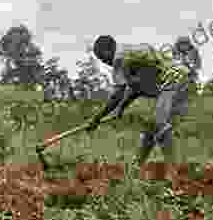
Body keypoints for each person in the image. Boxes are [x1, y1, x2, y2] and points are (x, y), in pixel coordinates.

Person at [86, 34, 202, 167]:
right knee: (151, 126)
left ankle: (173, 169)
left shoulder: (120, 59)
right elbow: (137, 87)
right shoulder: (130, 54)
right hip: (176, 81)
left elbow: (117, 95)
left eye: (102, 58)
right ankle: (137, 166)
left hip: (175, 81)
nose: (104, 62)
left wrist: (97, 118)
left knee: (159, 123)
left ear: (107, 51)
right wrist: (122, 108)